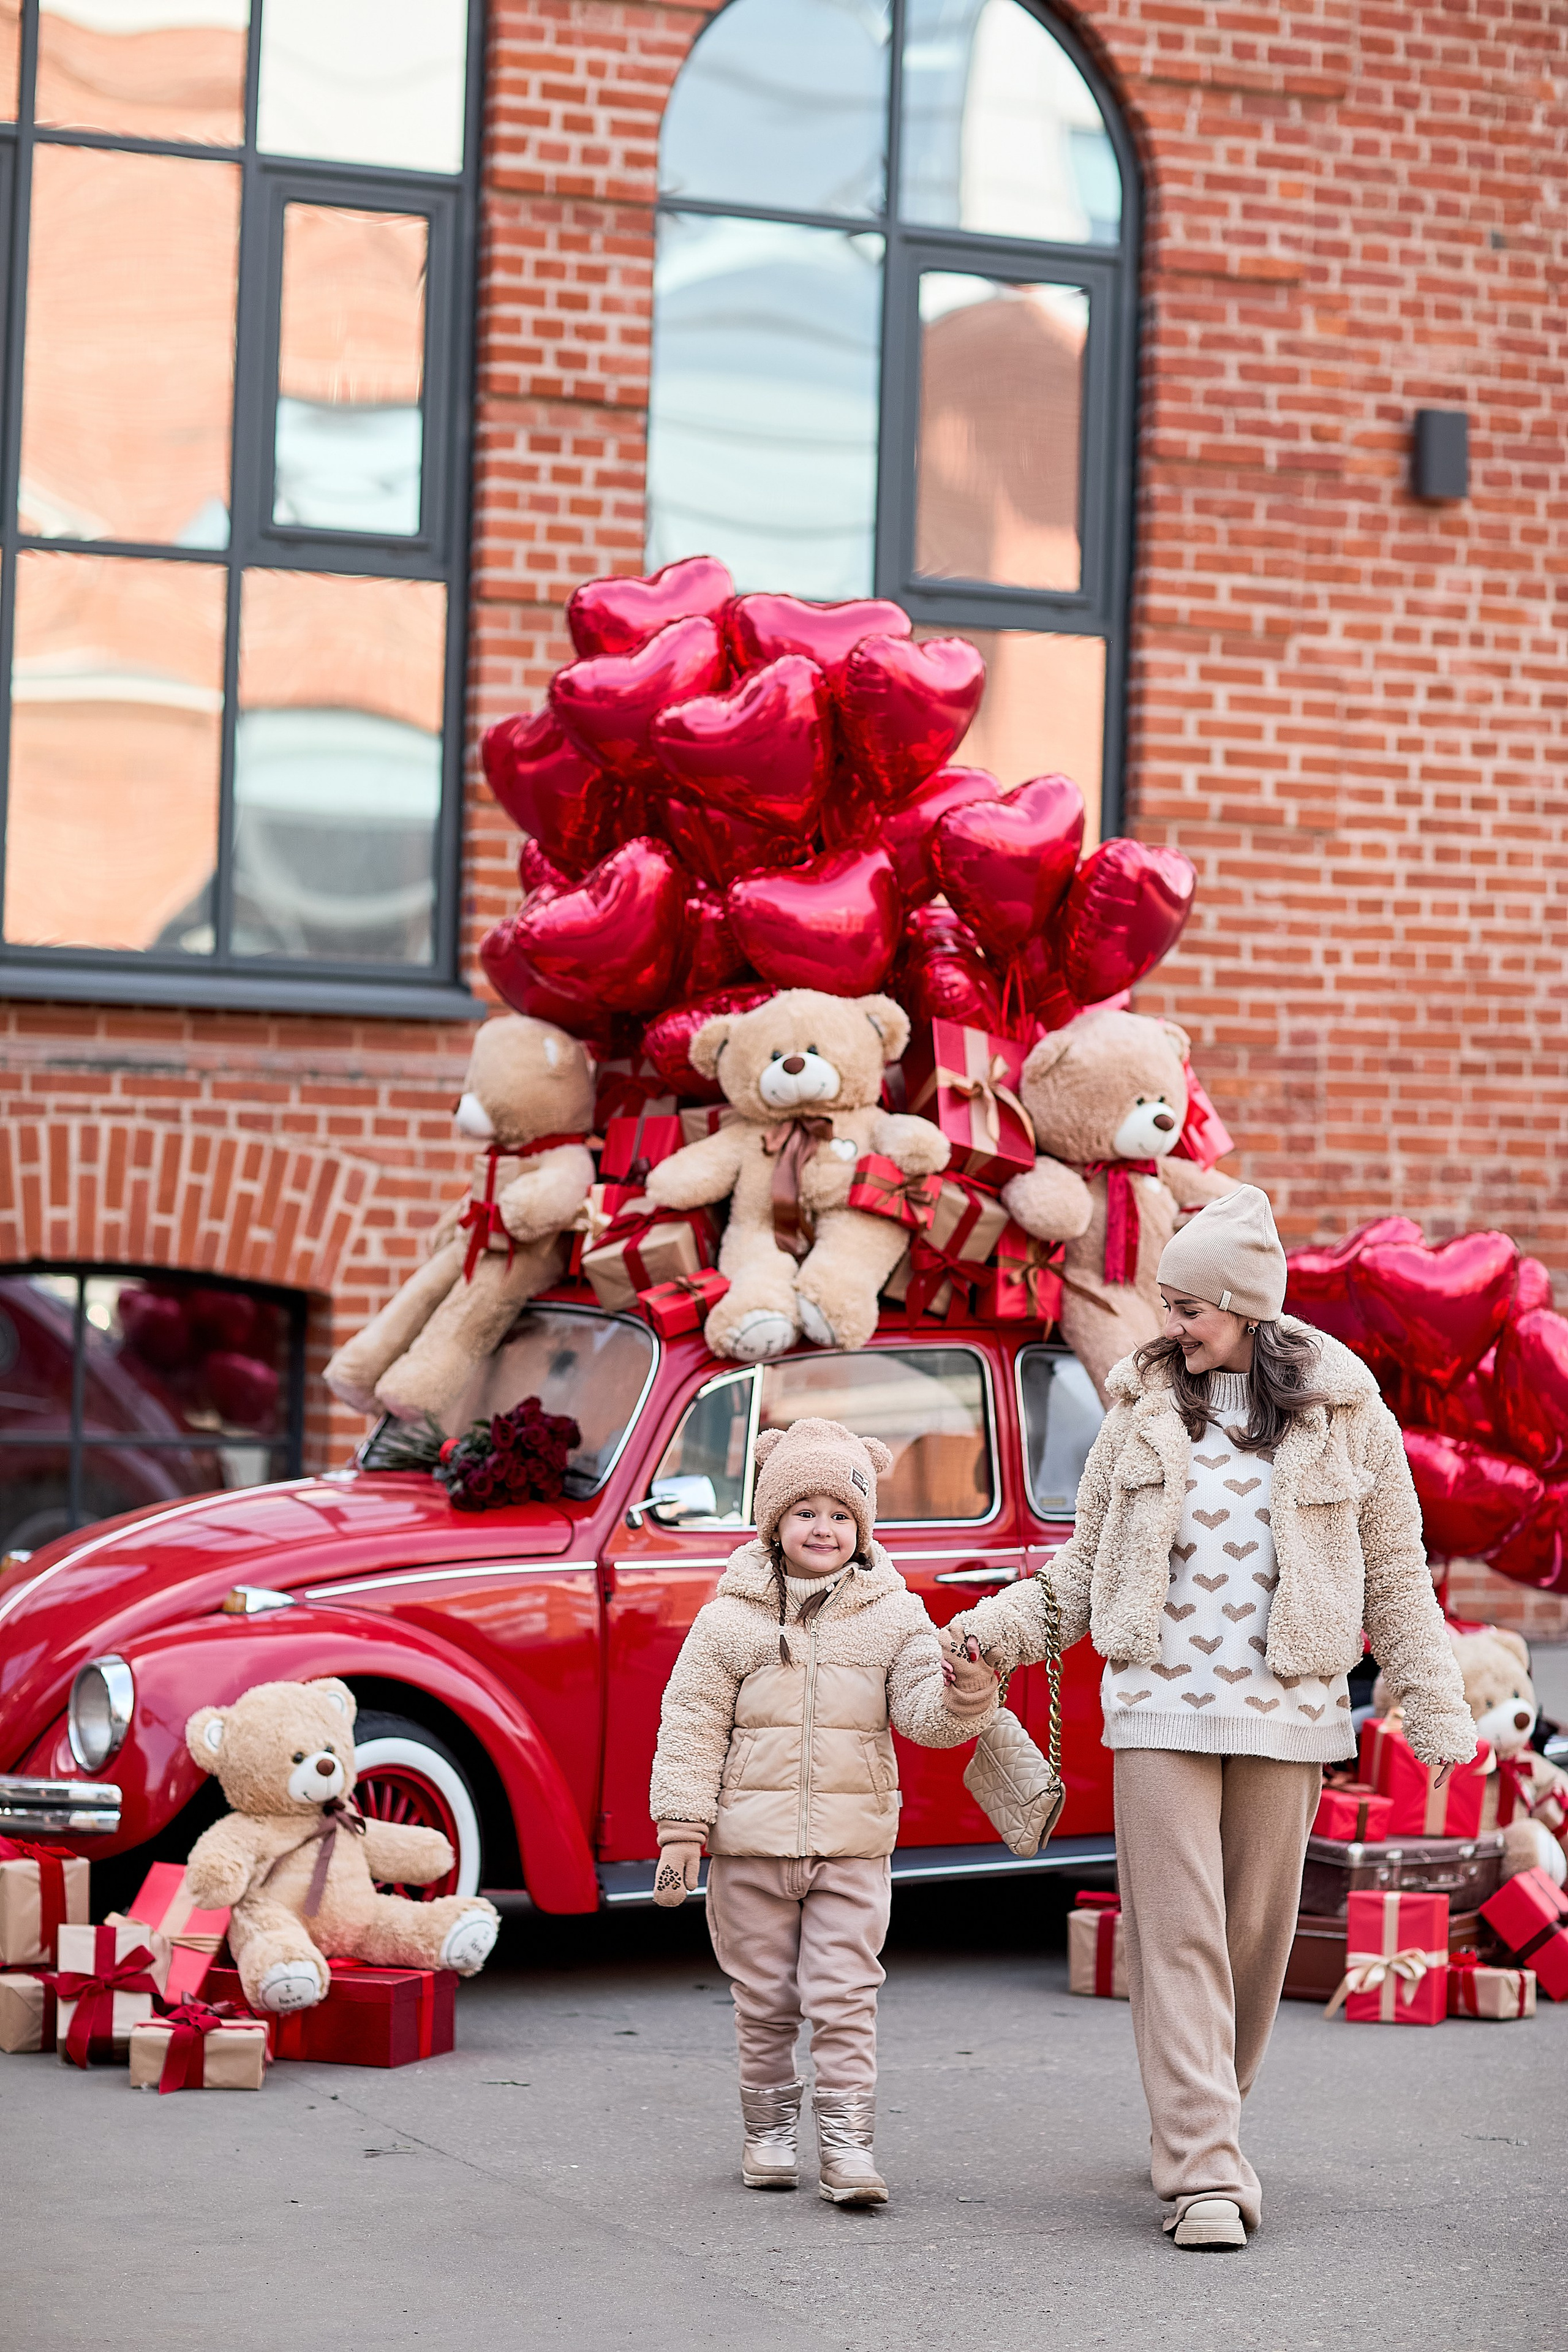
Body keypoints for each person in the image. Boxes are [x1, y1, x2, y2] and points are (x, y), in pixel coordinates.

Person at [944, 1184, 1476, 2249]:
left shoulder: (1344, 1413)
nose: (1171, 1325)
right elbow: (1086, 1571)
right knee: (1178, 1937)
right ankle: (1206, 2176)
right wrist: (994, 1633)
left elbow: (1394, 1574)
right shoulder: (1141, 1408)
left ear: (1242, 1304)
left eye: (1188, 1306)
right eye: (1167, 1302)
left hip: (1292, 1711)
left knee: (1251, 1944)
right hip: (1157, 1707)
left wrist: (1433, 1699)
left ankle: (1206, 2119)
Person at [649, 1415, 998, 2205]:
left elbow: (923, 1714)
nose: (825, 1527)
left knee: (844, 1997)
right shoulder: (731, 1617)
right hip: (750, 1848)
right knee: (765, 2000)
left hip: (852, 1845)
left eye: (843, 1514)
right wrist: (681, 1828)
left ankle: (847, 2148)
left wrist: (964, 1692)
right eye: (806, 1511)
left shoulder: (893, 1615)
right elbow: (691, 1720)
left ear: (863, 1527)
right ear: (774, 1519)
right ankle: (769, 2134)